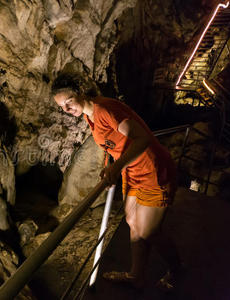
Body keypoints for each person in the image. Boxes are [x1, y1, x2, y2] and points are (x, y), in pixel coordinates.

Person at [51, 72, 181, 290]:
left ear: (80, 93)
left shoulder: (105, 110)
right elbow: (112, 144)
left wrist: (116, 166)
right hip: (131, 173)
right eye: (61, 106)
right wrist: (108, 167)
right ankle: (135, 275)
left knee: (149, 231)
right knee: (132, 222)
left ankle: (177, 269)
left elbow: (142, 139)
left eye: (68, 102)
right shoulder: (88, 115)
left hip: (152, 171)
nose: (66, 109)